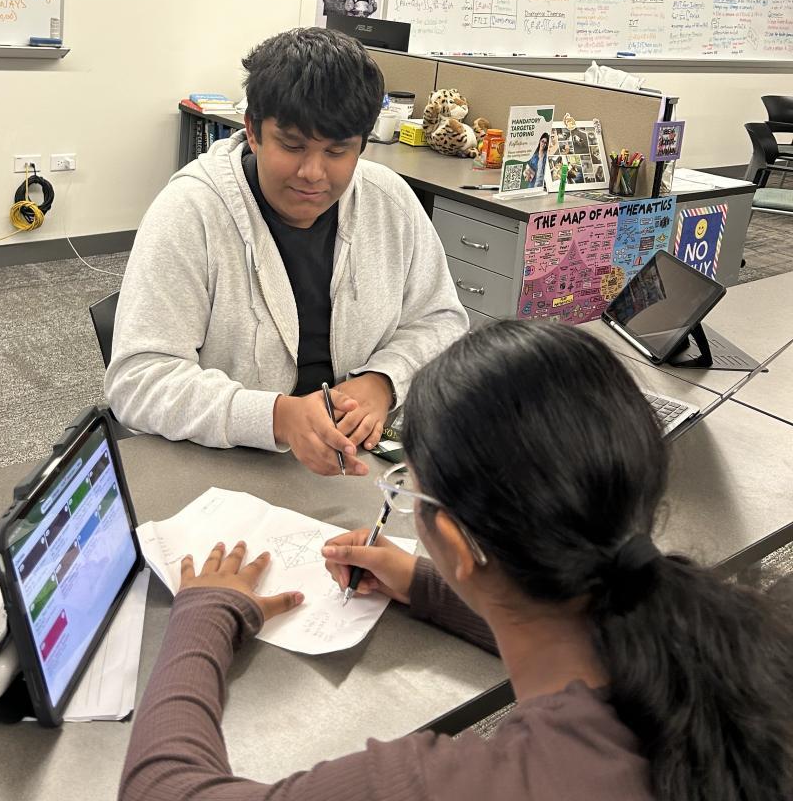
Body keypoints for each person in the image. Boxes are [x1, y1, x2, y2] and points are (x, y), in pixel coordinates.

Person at [118, 321, 793, 801]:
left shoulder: (458, 783)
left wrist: (206, 609)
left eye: (406, 491)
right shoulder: (739, 637)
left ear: (458, 543)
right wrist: (427, 583)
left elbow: (161, 791)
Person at [105, 28, 468, 477]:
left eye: (337, 150)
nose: (312, 172)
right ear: (253, 130)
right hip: (229, 465)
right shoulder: (190, 212)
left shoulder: (389, 202)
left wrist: (383, 380)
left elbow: (441, 320)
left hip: (355, 458)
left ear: (363, 144)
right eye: (292, 146)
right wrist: (276, 417)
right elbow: (138, 379)